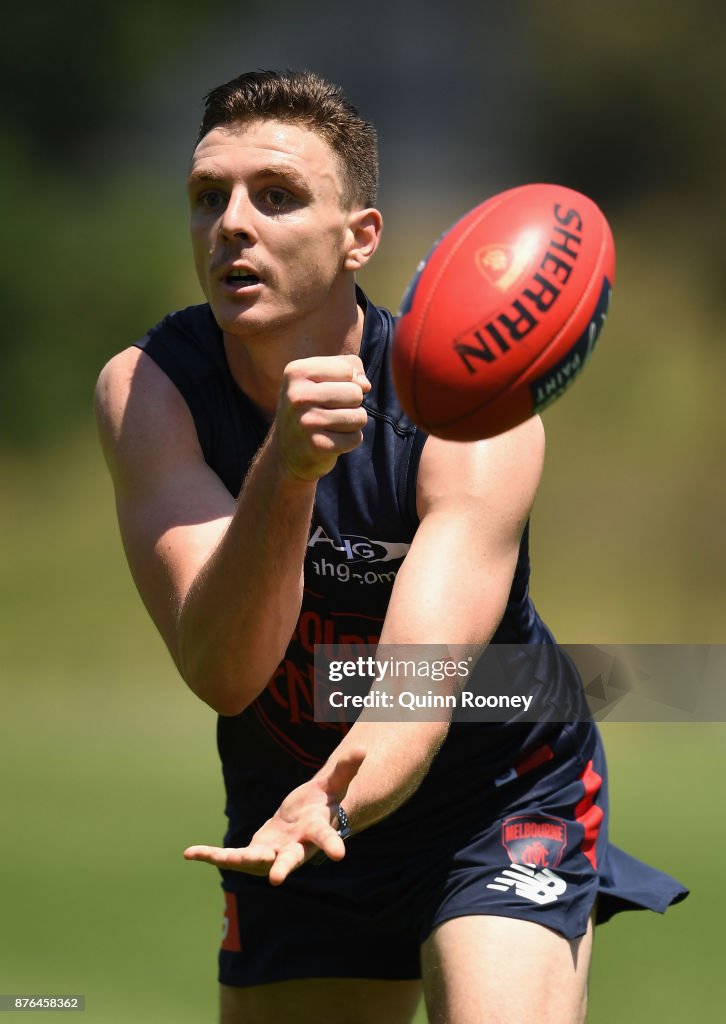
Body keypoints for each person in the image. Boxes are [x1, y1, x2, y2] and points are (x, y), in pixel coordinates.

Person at [95, 69, 687, 1024]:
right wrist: (284, 474)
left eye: (277, 196)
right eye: (210, 197)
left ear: (358, 237)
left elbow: (419, 688)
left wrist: (330, 798)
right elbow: (225, 668)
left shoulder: (474, 411)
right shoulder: (150, 390)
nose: (232, 224)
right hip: (288, 801)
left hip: (492, 793)